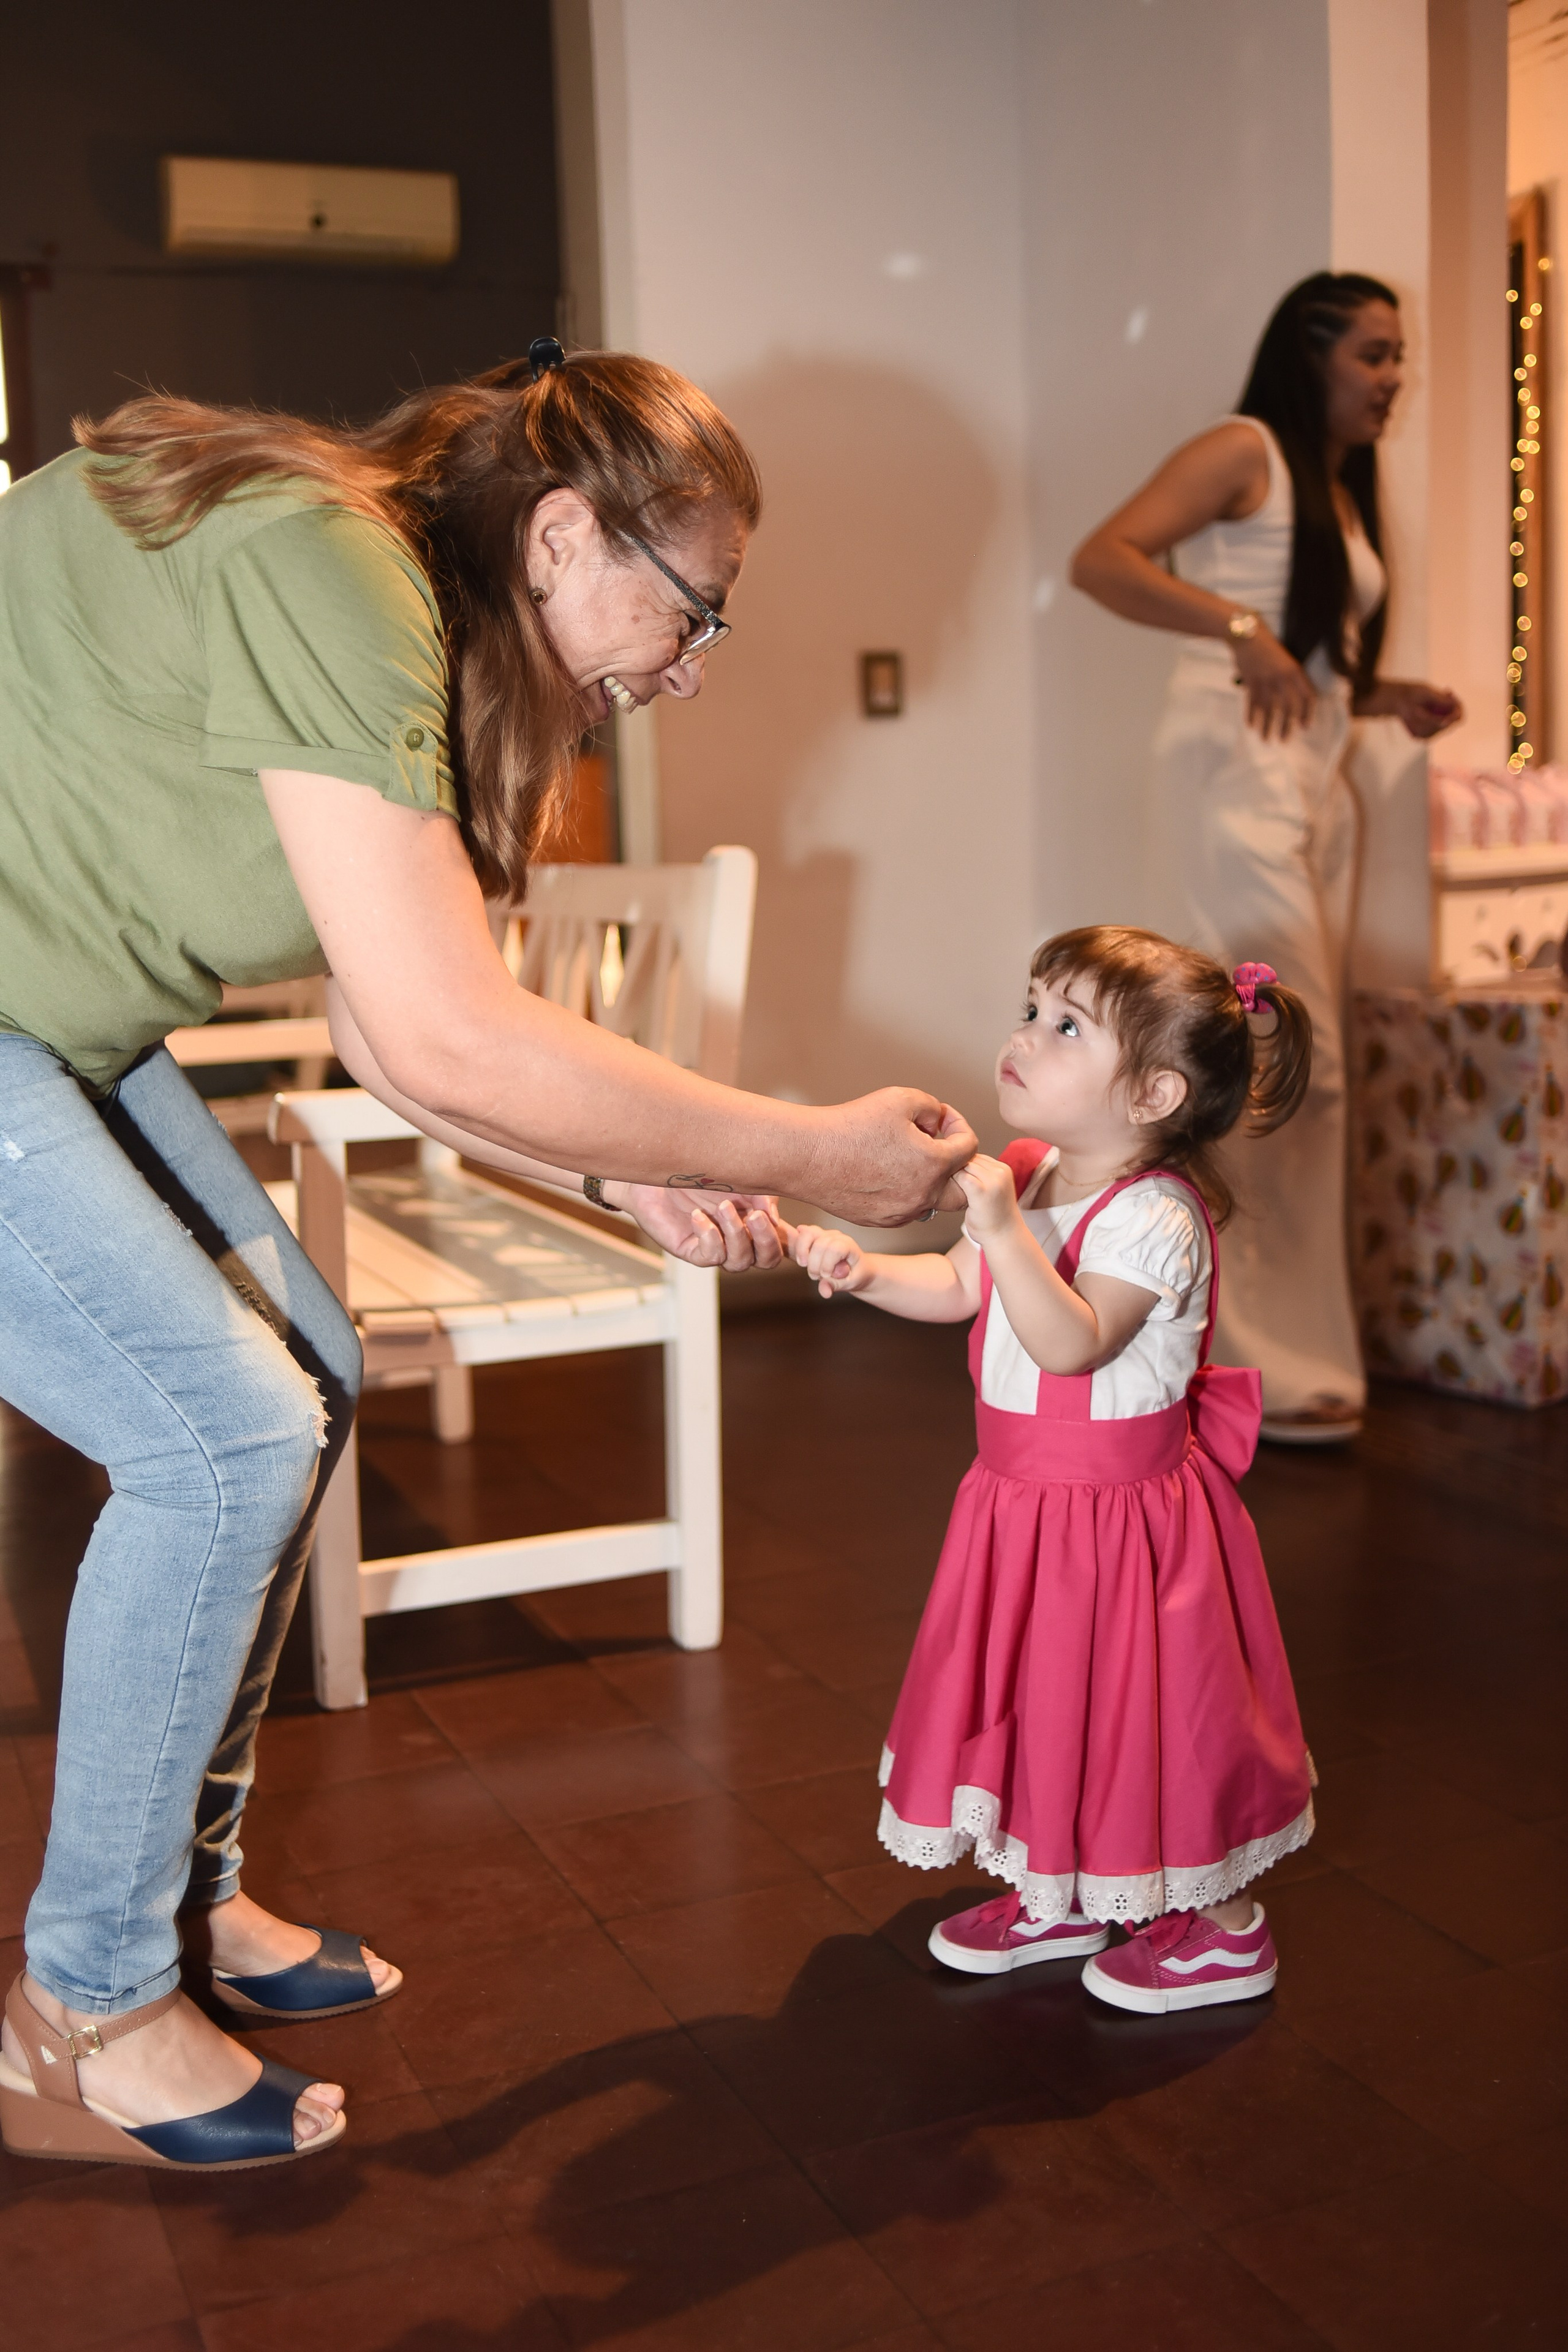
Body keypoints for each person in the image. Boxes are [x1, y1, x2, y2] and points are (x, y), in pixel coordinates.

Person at [0, 342, 974, 2173]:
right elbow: (447, 1040)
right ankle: (83, 2011)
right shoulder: (326, 560)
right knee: (220, 1441)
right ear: (556, 535)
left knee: (310, 1376)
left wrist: (632, 1180)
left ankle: (182, 1897)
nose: (687, 668)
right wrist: (820, 1153)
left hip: (57, 1024)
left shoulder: (417, 636)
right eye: (691, 611)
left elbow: (391, 1034)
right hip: (12, 1019)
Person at [789, 925, 1315, 2012]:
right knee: (1043, 1700)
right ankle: (1068, 1879)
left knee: (1149, 1715)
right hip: (1021, 1505)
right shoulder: (1031, 1174)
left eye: (1065, 1026)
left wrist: (1001, 1227)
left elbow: (1073, 1340)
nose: (1023, 1038)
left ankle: (1224, 1932)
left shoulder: (1158, 1217)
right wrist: (865, 1270)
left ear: (1155, 1094)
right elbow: (957, 1287)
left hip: (1123, 1524)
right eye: (1031, 1008)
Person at [1071, 273, 1462, 1444]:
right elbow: (1105, 558)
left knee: (1303, 1067)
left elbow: (1307, 657)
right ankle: (1253, 1359)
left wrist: (1379, 694)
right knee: (1282, 1063)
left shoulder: (1339, 495)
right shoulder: (1246, 449)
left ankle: (1283, 1348)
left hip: (1304, 776)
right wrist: (1240, 632)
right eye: (1377, 356)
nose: (1396, 379)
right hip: (1230, 774)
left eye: (1400, 358)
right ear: (1314, 356)